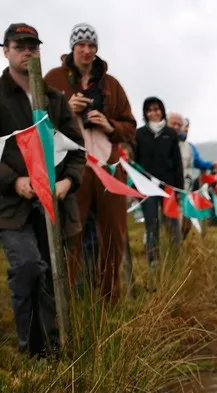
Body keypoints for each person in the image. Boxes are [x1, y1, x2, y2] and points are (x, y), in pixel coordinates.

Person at [0, 24, 85, 358]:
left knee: (52, 272)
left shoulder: (54, 98)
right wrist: (13, 181)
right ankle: (30, 348)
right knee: (29, 266)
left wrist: (67, 182)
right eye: (20, 46)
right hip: (9, 205)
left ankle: (54, 347)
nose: (28, 52)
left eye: (33, 46)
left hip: (52, 202)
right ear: (6, 50)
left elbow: (76, 149)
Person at [44, 23, 137, 305]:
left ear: (96, 49)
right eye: (81, 45)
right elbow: (38, 124)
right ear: (72, 47)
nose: (86, 50)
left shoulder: (111, 84)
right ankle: (68, 304)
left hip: (109, 167)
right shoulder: (53, 79)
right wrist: (65, 110)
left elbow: (130, 127)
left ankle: (110, 301)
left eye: (91, 45)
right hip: (71, 168)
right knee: (71, 235)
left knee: (113, 234)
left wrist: (109, 125)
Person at [133, 96, 183, 264]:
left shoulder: (171, 134)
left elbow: (177, 163)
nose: (153, 113)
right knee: (151, 225)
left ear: (162, 111)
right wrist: (135, 188)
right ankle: (154, 261)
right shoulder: (139, 135)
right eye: (150, 110)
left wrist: (179, 189)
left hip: (169, 187)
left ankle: (175, 259)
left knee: (172, 224)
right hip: (147, 188)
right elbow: (134, 163)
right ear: (145, 113)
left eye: (156, 109)